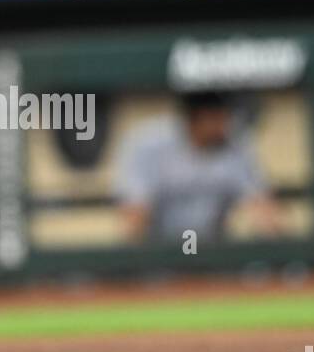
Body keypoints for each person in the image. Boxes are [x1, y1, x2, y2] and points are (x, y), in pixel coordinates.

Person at [116, 91, 282, 245]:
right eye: (217, 117)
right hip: (158, 253)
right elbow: (134, 214)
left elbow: (262, 207)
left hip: (214, 252)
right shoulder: (149, 143)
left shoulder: (236, 143)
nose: (225, 124)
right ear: (195, 118)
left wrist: (277, 242)